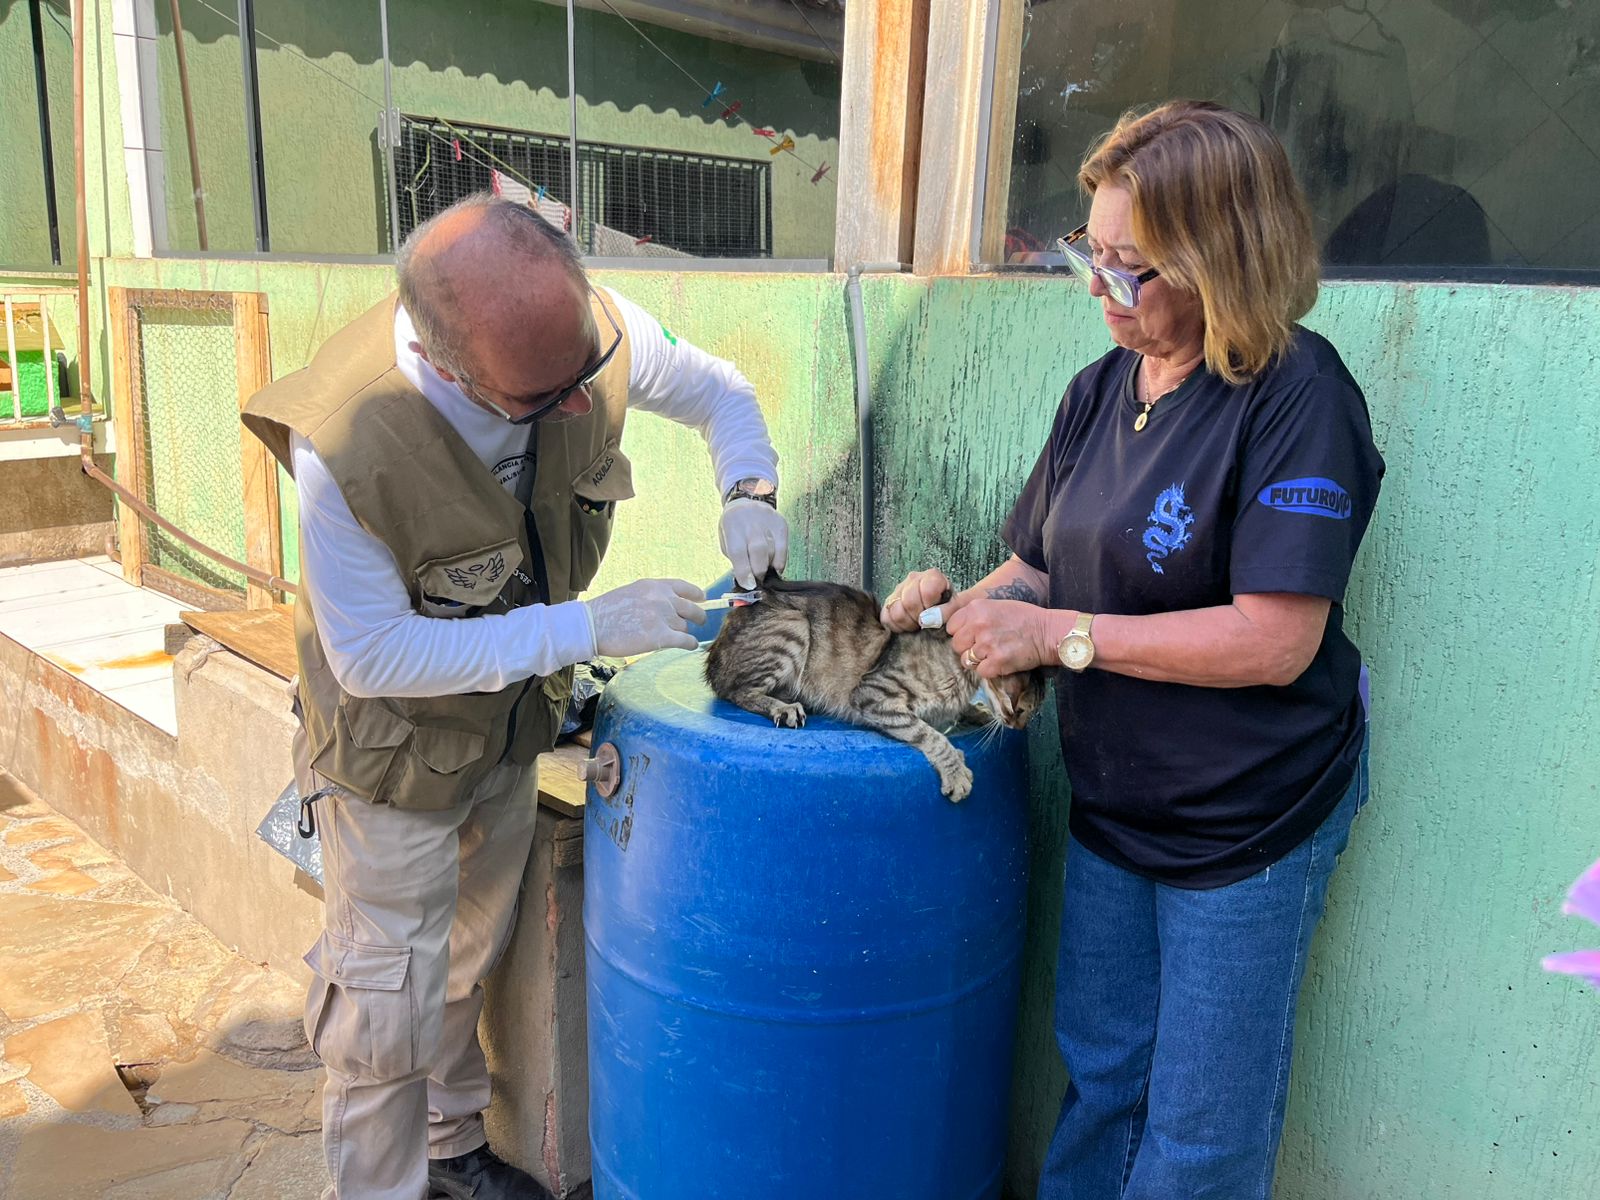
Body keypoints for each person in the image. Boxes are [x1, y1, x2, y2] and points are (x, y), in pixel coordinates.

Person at [881, 100, 1383, 1200]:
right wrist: (947, 607)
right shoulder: (1100, 391)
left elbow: (1273, 641)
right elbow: (1038, 569)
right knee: (1104, 1081)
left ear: (1223, 260)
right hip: (1118, 804)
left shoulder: (1297, 397)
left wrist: (1056, 636)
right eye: (1090, 257)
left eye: (1134, 269)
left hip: (1249, 816)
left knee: (1201, 1128)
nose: (1103, 292)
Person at [242, 193, 788, 1200]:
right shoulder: (347, 442)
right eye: (542, 398)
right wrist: (589, 628)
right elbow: (371, 659)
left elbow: (723, 392)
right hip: (391, 754)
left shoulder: (585, 335)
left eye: (584, 371)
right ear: (451, 369)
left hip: (506, 727)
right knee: (383, 1006)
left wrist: (749, 492)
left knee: (465, 955)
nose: (582, 405)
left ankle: (451, 1149)